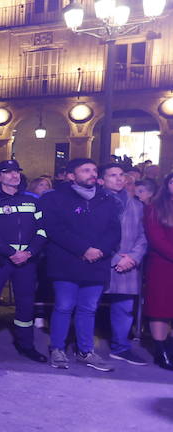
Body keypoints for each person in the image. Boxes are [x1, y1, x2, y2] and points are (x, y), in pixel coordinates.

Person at [39, 158, 121, 370]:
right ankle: (57, 349)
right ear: (71, 175)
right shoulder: (55, 198)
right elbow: (54, 229)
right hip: (67, 262)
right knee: (64, 307)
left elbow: (114, 231)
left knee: (88, 308)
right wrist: (83, 249)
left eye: (94, 170)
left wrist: (99, 250)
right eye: (85, 170)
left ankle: (86, 351)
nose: (92, 173)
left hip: (97, 263)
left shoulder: (107, 199)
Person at [0, 160, 46, 363]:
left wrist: (29, 252)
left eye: (17, 172)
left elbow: (42, 229)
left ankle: (26, 345)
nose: (14, 176)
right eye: (8, 172)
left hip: (27, 261)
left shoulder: (33, 199)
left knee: (26, 304)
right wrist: (9, 252)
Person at [102, 163, 149, 366]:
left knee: (124, 308)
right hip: (102, 262)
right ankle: (82, 347)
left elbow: (143, 235)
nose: (119, 178)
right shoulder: (95, 203)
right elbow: (91, 236)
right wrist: (116, 259)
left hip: (128, 263)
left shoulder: (136, 205)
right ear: (101, 180)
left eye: (121, 175)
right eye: (113, 175)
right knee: (86, 306)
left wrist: (133, 258)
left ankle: (120, 348)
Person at [143, 172, 173, 369]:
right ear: (167, 184)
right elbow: (157, 239)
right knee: (161, 308)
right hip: (163, 265)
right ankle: (160, 349)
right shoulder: (155, 207)